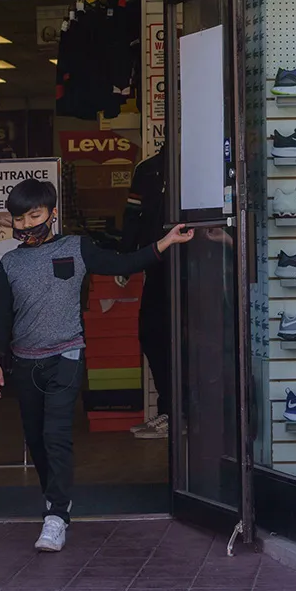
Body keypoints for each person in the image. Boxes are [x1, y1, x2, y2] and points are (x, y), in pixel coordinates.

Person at [0, 175, 193, 553]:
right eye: (19, 219)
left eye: (34, 216)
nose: (27, 225)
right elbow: (0, 315)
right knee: (35, 439)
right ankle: (55, 498)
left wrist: (165, 243)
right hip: (24, 361)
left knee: (56, 435)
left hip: (66, 355)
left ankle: (57, 516)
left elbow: (125, 262)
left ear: (51, 213)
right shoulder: (10, 263)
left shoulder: (76, 247)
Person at [120, 153, 172, 440]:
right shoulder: (148, 169)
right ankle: (170, 411)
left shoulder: (203, 159)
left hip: (199, 268)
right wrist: (127, 259)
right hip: (157, 265)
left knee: (193, 340)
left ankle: (185, 413)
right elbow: (132, 216)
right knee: (152, 334)